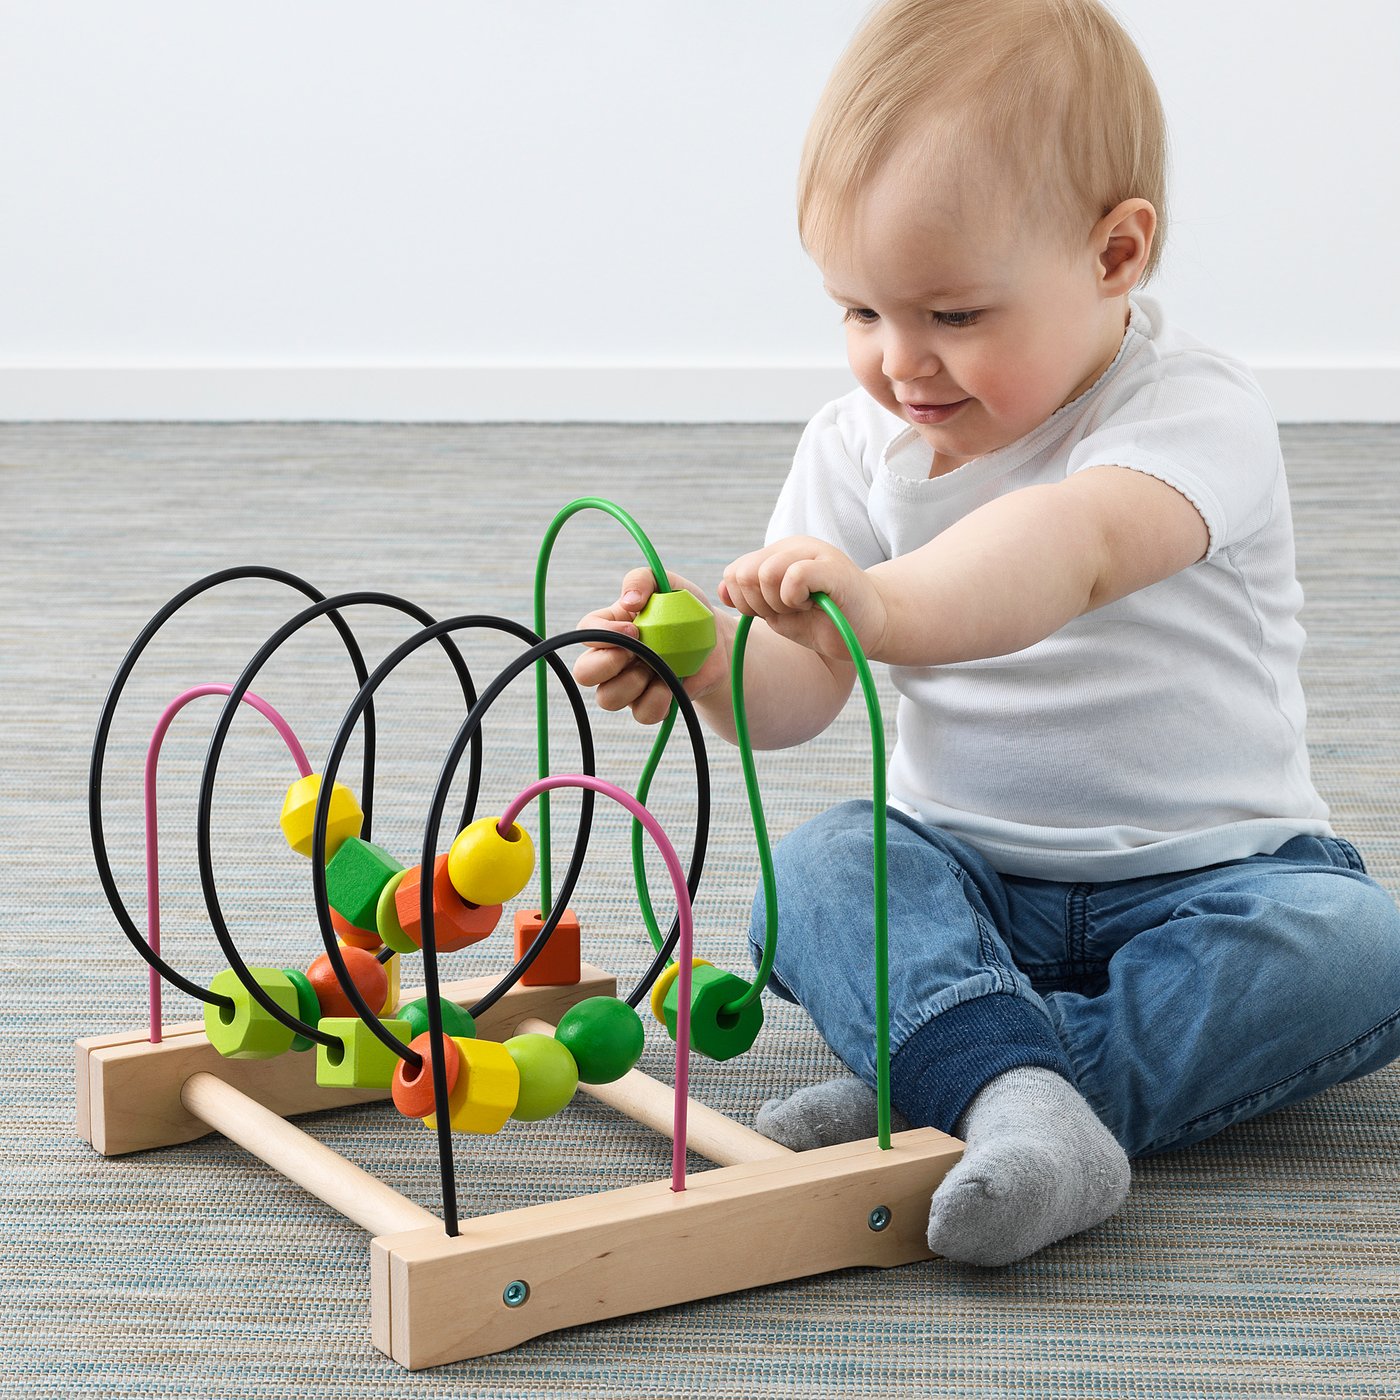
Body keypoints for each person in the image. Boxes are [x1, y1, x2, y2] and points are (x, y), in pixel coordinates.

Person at [571, 0, 1400, 1266]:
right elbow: (802, 685)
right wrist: (702, 662)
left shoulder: (1193, 413)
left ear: (1115, 253)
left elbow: (1065, 553)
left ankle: (966, 1080)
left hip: (1214, 881)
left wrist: (884, 601)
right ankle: (1000, 1088)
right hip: (966, 881)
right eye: (857, 310)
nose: (899, 362)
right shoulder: (855, 442)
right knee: (816, 874)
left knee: (1358, 951)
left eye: (953, 315)